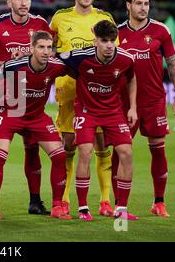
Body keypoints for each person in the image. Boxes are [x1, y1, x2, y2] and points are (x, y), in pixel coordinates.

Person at [0, 0, 54, 215]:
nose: (24, 3)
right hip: (6, 98)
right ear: (9, 2)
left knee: (32, 150)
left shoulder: (41, 24)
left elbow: (52, 50)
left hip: (32, 101)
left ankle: (35, 201)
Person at [113, 0, 175, 217]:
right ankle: (118, 204)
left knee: (158, 151)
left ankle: (159, 202)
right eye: (138, 3)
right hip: (124, 104)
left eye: (146, 4)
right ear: (128, 6)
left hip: (154, 101)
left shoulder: (161, 31)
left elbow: (173, 65)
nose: (143, 8)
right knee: (120, 153)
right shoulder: (116, 33)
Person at [49, 0, 117, 216]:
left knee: (100, 145)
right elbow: (50, 49)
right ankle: (64, 200)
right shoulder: (60, 18)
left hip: (97, 92)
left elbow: (114, 52)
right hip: (68, 89)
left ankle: (105, 201)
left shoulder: (104, 18)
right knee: (68, 146)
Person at [0, 31, 71, 220]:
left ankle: (57, 205)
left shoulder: (57, 66)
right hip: (10, 114)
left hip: (36, 117)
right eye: (41, 47)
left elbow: (79, 69)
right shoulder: (15, 66)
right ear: (31, 48)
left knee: (60, 156)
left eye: (49, 47)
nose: (46, 51)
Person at [57, 20, 138, 220]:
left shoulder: (126, 59)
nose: (109, 45)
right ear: (95, 41)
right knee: (84, 152)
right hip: (86, 110)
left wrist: (133, 107)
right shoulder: (80, 57)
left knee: (126, 153)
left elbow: (131, 78)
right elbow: (55, 58)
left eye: (112, 40)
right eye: (104, 41)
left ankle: (122, 209)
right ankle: (83, 208)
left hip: (113, 111)